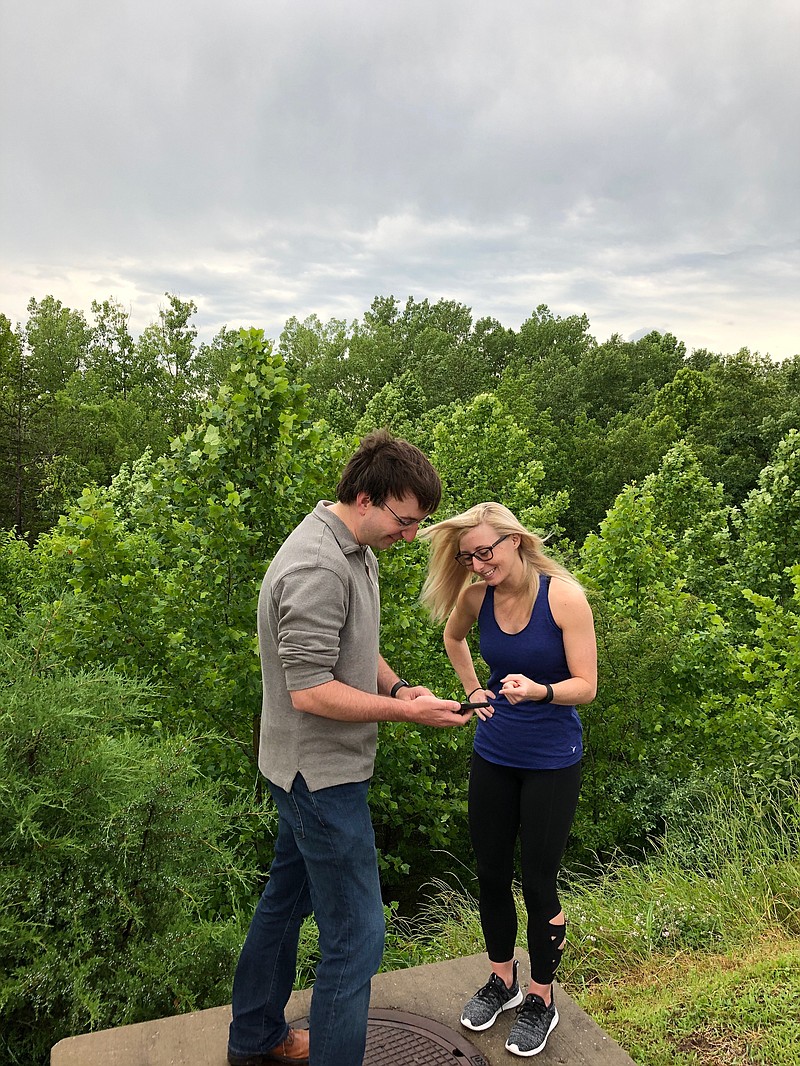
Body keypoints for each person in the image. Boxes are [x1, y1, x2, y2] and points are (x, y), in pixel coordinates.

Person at [227, 430, 467, 1066]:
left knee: (284, 902)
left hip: (305, 767)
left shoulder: (355, 549)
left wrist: (399, 686)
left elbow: (350, 647)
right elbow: (309, 690)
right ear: (366, 498)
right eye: (405, 520)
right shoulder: (317, 566)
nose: (411, 536)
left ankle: (255, 1037)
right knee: (358, 938)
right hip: (320, 777)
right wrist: (405, 714)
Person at [420, 502, 597, 1058]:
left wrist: (540, 690)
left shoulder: (562, 596)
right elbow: (453, 640)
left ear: (515, 541)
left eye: (484, 552)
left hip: (551, 757)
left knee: (539, 879)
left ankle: (541, 999)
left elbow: (586, 685)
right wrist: (475, 691)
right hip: (494, 750)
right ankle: (503, 979)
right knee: (491, 871)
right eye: (467, 557)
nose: (476, 565)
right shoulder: (476, 597)